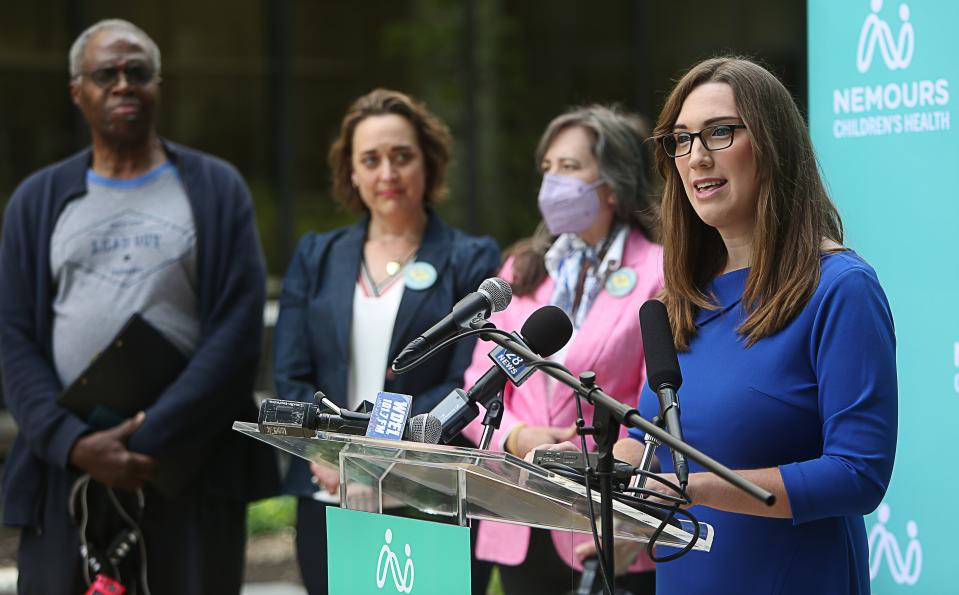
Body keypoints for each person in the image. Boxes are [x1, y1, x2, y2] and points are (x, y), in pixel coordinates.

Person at [0, 19, 279, 595]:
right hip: (67, 470)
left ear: (158, 86)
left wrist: (151, 436)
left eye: (138, 72)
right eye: (107, 74)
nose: (124, 85)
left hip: (188, 469)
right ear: (79, 91)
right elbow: (13, 335)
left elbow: (236, 332)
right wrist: (74, 443)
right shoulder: (37, 201)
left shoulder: (216, 189)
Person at [612, 56, 897, 594]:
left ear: (773, 144)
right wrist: (586, 460)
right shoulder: (679, 299)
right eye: (680, 139)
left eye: (720, 132)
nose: (696, 156)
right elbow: (651, 444)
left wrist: (695, 489)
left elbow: (858, 475)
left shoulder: (840, 288)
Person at [272, 88, 501, 595]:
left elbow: (464, 380)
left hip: (429, 491)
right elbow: (291, 374)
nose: (388, 174)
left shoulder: (470, 258)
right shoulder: (317, 256)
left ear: (429, 162)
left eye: (402, 157)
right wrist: (326, 453)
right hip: (329, 494)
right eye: (370, 160)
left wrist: (374, 450)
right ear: (351, 172)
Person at [460, 105, 663, 595]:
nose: (552, 182)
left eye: (569, 168)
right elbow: (477, 385)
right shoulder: (521, 271)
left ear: (612, 184)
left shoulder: (660, 269)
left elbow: (658, 399)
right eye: (547, 169)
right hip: (519, 513)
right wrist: (517, 436)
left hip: (609, 517)